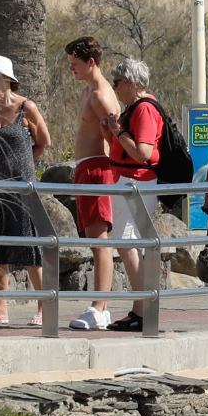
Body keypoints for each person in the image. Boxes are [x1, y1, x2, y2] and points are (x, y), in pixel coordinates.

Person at [0, 56, 51, 326]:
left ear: (7, 79)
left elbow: (43, 142)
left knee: (31, 249)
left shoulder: (27, 107)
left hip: (23, 189)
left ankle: (44, 307)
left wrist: (25, 167)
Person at [97, 57, 165, 332]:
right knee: (128, 244)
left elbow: (143, 152)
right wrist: (112, 132)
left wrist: (118, 131)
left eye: (118, 83)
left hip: (137, 182)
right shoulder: (136, 108)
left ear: (132, 84)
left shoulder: (144, 109)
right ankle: (141, 308)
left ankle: (145, 308)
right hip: (130, 181)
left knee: (126, 243)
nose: (115, 88)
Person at [64, 37, 125, 331]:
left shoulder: (102, 95)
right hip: (85, 168)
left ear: (91, 62)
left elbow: (117, 136)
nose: (71, 69)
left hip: (99, 170)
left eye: (75, 64)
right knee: (92, 240)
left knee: (101, 243)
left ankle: (100, 307)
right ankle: (99, 305)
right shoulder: (87, 92)